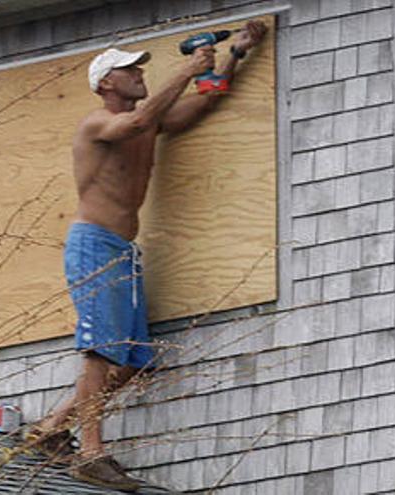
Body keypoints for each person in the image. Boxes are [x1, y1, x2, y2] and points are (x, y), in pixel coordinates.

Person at [25, 21, 268, 491]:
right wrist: (186, 69)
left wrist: (236, 54)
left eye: (139, 68)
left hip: (122, 250)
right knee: (101, 352)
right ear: (105, 84)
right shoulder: (98, 123)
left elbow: (205, 100)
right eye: (128, 70)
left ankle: (51, 429)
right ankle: (90, 453)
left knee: (132, 362)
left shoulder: (148, 121)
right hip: (93, 245)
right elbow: (136, 121)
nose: (138, 73)